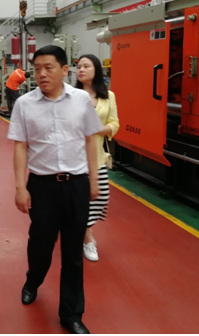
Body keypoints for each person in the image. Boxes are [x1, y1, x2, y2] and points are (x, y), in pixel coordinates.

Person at [7, 45, 102, 334]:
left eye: (48, 68)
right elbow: (20, 146)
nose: (42, 74)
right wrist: (20, 187)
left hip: (76, 184)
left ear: (64, 70)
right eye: (37, 69)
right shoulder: (25, 104)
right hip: (42, 186)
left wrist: (93, 180)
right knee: (40, 245)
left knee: (73, 252)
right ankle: (33, 280)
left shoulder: (81, 100)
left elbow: (90, 139)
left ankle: (71, 314)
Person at [76, 54, 119, 262]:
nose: (81, 70)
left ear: (96, 70)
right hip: (75, 158)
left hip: (98, 157)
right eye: (79, 66)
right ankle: (87, 239)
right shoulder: (72, 95)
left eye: (86, 66)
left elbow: (114, 123)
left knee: (100, 197)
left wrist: (98, 129)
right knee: (80, 200)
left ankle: (83, 230)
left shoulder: (108, 96)